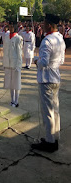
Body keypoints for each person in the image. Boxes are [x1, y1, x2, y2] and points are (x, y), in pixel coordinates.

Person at [32, 14, 66, 153]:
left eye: (44, 23)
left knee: (48, 112)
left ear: (50, 25)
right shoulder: (60, 39)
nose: (42, 25)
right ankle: (55, 136)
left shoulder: (47, 40)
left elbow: (44, 63)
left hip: (46, 79)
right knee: (55, 109)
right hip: (55, 77)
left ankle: (50, 141)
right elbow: (62, 61)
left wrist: (36, 61)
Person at [3, 22, 23, 107]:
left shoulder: (18, 38)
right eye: (9, 26)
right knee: (10, 83)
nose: (10, 28)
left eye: (12, 27)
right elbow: (4, 51)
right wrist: (4, 63)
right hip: (8, 63)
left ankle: (16, 101)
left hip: (15, 64)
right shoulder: (6, 37)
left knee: (16, 83)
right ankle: (12, 100)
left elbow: (19, 53)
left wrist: (19, 65)